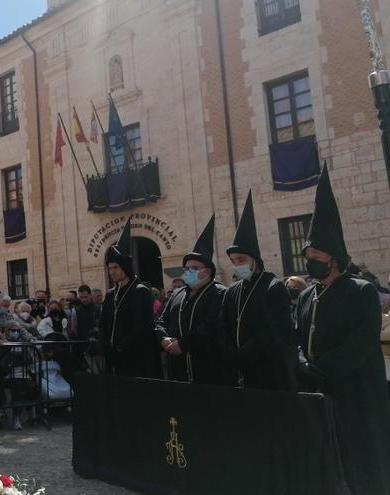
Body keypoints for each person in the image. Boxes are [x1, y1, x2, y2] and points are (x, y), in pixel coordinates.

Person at [294, 167, 390, 494]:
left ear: (333, 257)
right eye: (306, 256)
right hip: (320, 392)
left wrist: (322, 369)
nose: (309, 261)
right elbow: (297, 336)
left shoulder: (360, 290)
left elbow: (361, 342)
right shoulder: (307, 295)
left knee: (365, 456)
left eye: (315, 255)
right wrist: (302, 364)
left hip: (357, 391)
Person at [220, 191, 295, 390]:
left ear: (255, 259)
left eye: (241, 260)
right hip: (240, 371)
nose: (237, 265)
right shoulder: (232, 291)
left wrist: (242, 356)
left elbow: (272, 331)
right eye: (233, 261)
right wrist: (231, 355)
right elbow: (225, 326)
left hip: (268, 370)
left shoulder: (273, 286)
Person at [155, 215, 229, 384]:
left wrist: (184, 344)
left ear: (208, 271)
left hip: (208, 369)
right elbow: (161, 320)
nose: (189, 272)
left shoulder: (219, 293)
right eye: (187, 268)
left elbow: (212, 325)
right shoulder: (177, 294)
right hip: (177, 369)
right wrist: (163, 339)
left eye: (195, 268)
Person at [98, 218, 160, 378]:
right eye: (109, 268)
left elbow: (142, 326)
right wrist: (105, 345)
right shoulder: (111, 294)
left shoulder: (141, 291)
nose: (112, 272)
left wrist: (121, 347)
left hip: (136, 360)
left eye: (115, 267)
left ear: (125, 267)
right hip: (114, 361)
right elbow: (103, 324)